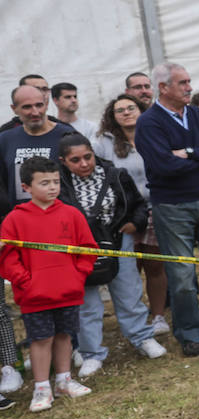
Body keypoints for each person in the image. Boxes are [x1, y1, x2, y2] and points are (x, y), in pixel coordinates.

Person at [134, 63, 199, 354]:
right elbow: (164, 165)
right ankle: (190, 334)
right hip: (172, 206)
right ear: (163, 88)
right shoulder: (149, 122)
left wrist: (190, 152)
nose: (189, 87)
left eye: (190, 81)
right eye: (182, 83)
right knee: (182, 277)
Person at [57, 132, 166, 377]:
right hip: (80, 248)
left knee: (128, 290)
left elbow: (137, 203)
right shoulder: (58, 182)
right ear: (63, 161)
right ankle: (91, 353)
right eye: (76, 160)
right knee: (87, 302)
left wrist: (134, 224)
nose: (84, 164)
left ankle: (141, 337)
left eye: (88, 157)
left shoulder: (115, 175)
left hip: (118, 240)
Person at [0, 156, 96, 411]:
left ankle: (64, 380)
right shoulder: (14, 220)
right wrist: (25, 281)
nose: (52, 187)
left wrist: (78, 275)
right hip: (35, 295)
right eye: (44, 183)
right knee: (41, 339)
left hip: (68, 291)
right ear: (26, 187)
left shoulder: (71, 214)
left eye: (55, 182)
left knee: (65, 335)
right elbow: (8, 257)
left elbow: (87, 248)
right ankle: (41, 387)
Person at [94, 95, 170, 335]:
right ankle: (135, 318)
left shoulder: (156, 134)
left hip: (154, 207)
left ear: (141, 110)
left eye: (131, 108)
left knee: (155, 265)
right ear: (112, 116)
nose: (126, 113)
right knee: (129, 268)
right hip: (122, 214)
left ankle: (158, 315)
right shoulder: (103, 142)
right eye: (120, 110)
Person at [0, 84, 75, 216]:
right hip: (18, 223)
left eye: (39, 105)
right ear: (14, 109)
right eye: (27, 107)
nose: (35, 112)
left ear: (46, 104)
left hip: (60, 221)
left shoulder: (67, 136)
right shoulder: (5, 140)